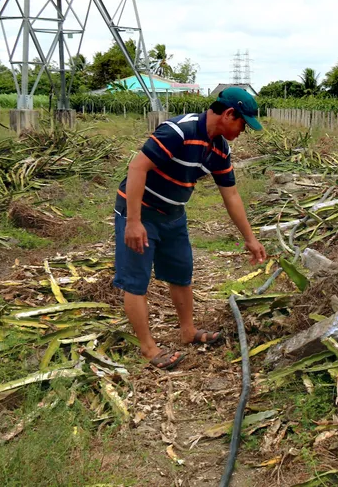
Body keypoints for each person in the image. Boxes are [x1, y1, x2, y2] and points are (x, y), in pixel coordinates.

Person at [113, 87, 267, 370]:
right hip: (141, 211)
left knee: (181, 273)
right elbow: (137, 168)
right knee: (136, 280)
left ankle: (188, 331)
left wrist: (250, 239)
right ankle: (148, 348)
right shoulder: (178, 131)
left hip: (173, 214)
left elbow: (230, 194)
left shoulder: (220, 148)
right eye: (243, 124)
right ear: (229, 114)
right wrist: (133, 222)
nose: (243, 130)